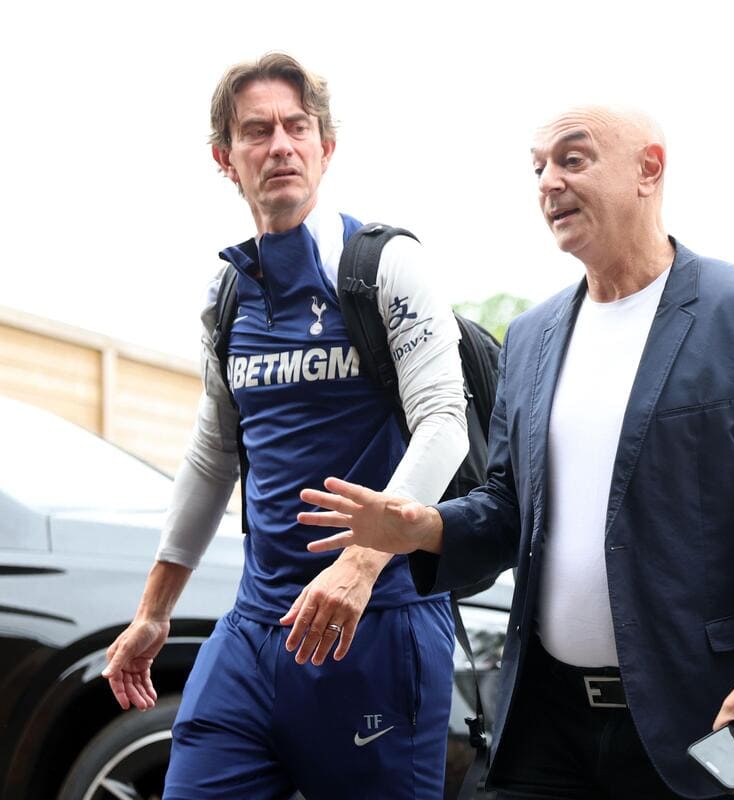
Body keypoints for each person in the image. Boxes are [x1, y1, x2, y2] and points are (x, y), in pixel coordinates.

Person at [299, 105, 734, 799]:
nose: (549, 182)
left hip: (698, 720)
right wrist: (426, 527)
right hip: (546, 721)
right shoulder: (530, 336)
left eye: (573, 160)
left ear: (649, 169)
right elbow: (508, 508)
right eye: (538, 168)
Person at [100, 52, 469, 800]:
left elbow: (445, 422)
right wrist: (154, 612)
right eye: (256, 131)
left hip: (376, 624)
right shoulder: (228, 292)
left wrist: (359, 566)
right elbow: (213, 453)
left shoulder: (385, 266)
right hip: (255, 631)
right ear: (225, 158)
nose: (280, 146)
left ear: (326, 147)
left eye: (297, 128)